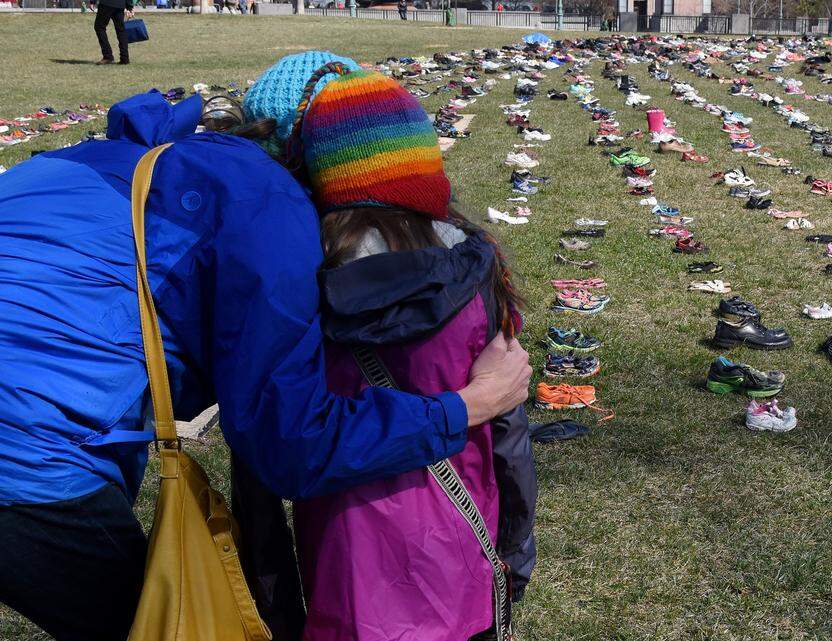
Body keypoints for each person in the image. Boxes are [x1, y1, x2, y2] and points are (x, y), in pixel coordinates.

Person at [0, 50, 532, 641]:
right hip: (21, 456)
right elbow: (293, 444)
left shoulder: (106, 159)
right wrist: (471, 404)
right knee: (163, 626)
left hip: (25, 428)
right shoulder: (265, 211)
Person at [265, 66, 537, 641]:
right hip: (461, 542)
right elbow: (508, 430)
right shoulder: (478, 268)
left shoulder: (296, 282)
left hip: (344, 559)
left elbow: (278, 443)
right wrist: (516, 546)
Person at [91, 0, 133, 65]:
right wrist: (129, 7)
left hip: (106, 3)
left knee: (99, 27)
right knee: (121, 31)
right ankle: (125, 58)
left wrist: (92, 2)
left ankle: (108, 56)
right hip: (120, 5)